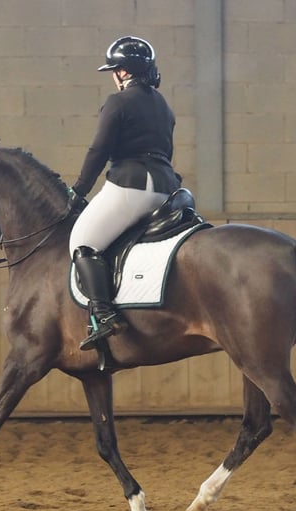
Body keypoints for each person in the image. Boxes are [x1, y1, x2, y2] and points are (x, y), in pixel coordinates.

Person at [68, 36, 182, 352]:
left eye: (114, 70)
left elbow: (98, 150)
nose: (113, 76)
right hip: (166, 189)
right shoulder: (164, 106)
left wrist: (78, 190)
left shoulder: (118, 101)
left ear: (123, 72)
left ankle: (104, 315)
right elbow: (167, 151)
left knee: (82, 242)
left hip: (133, 185)